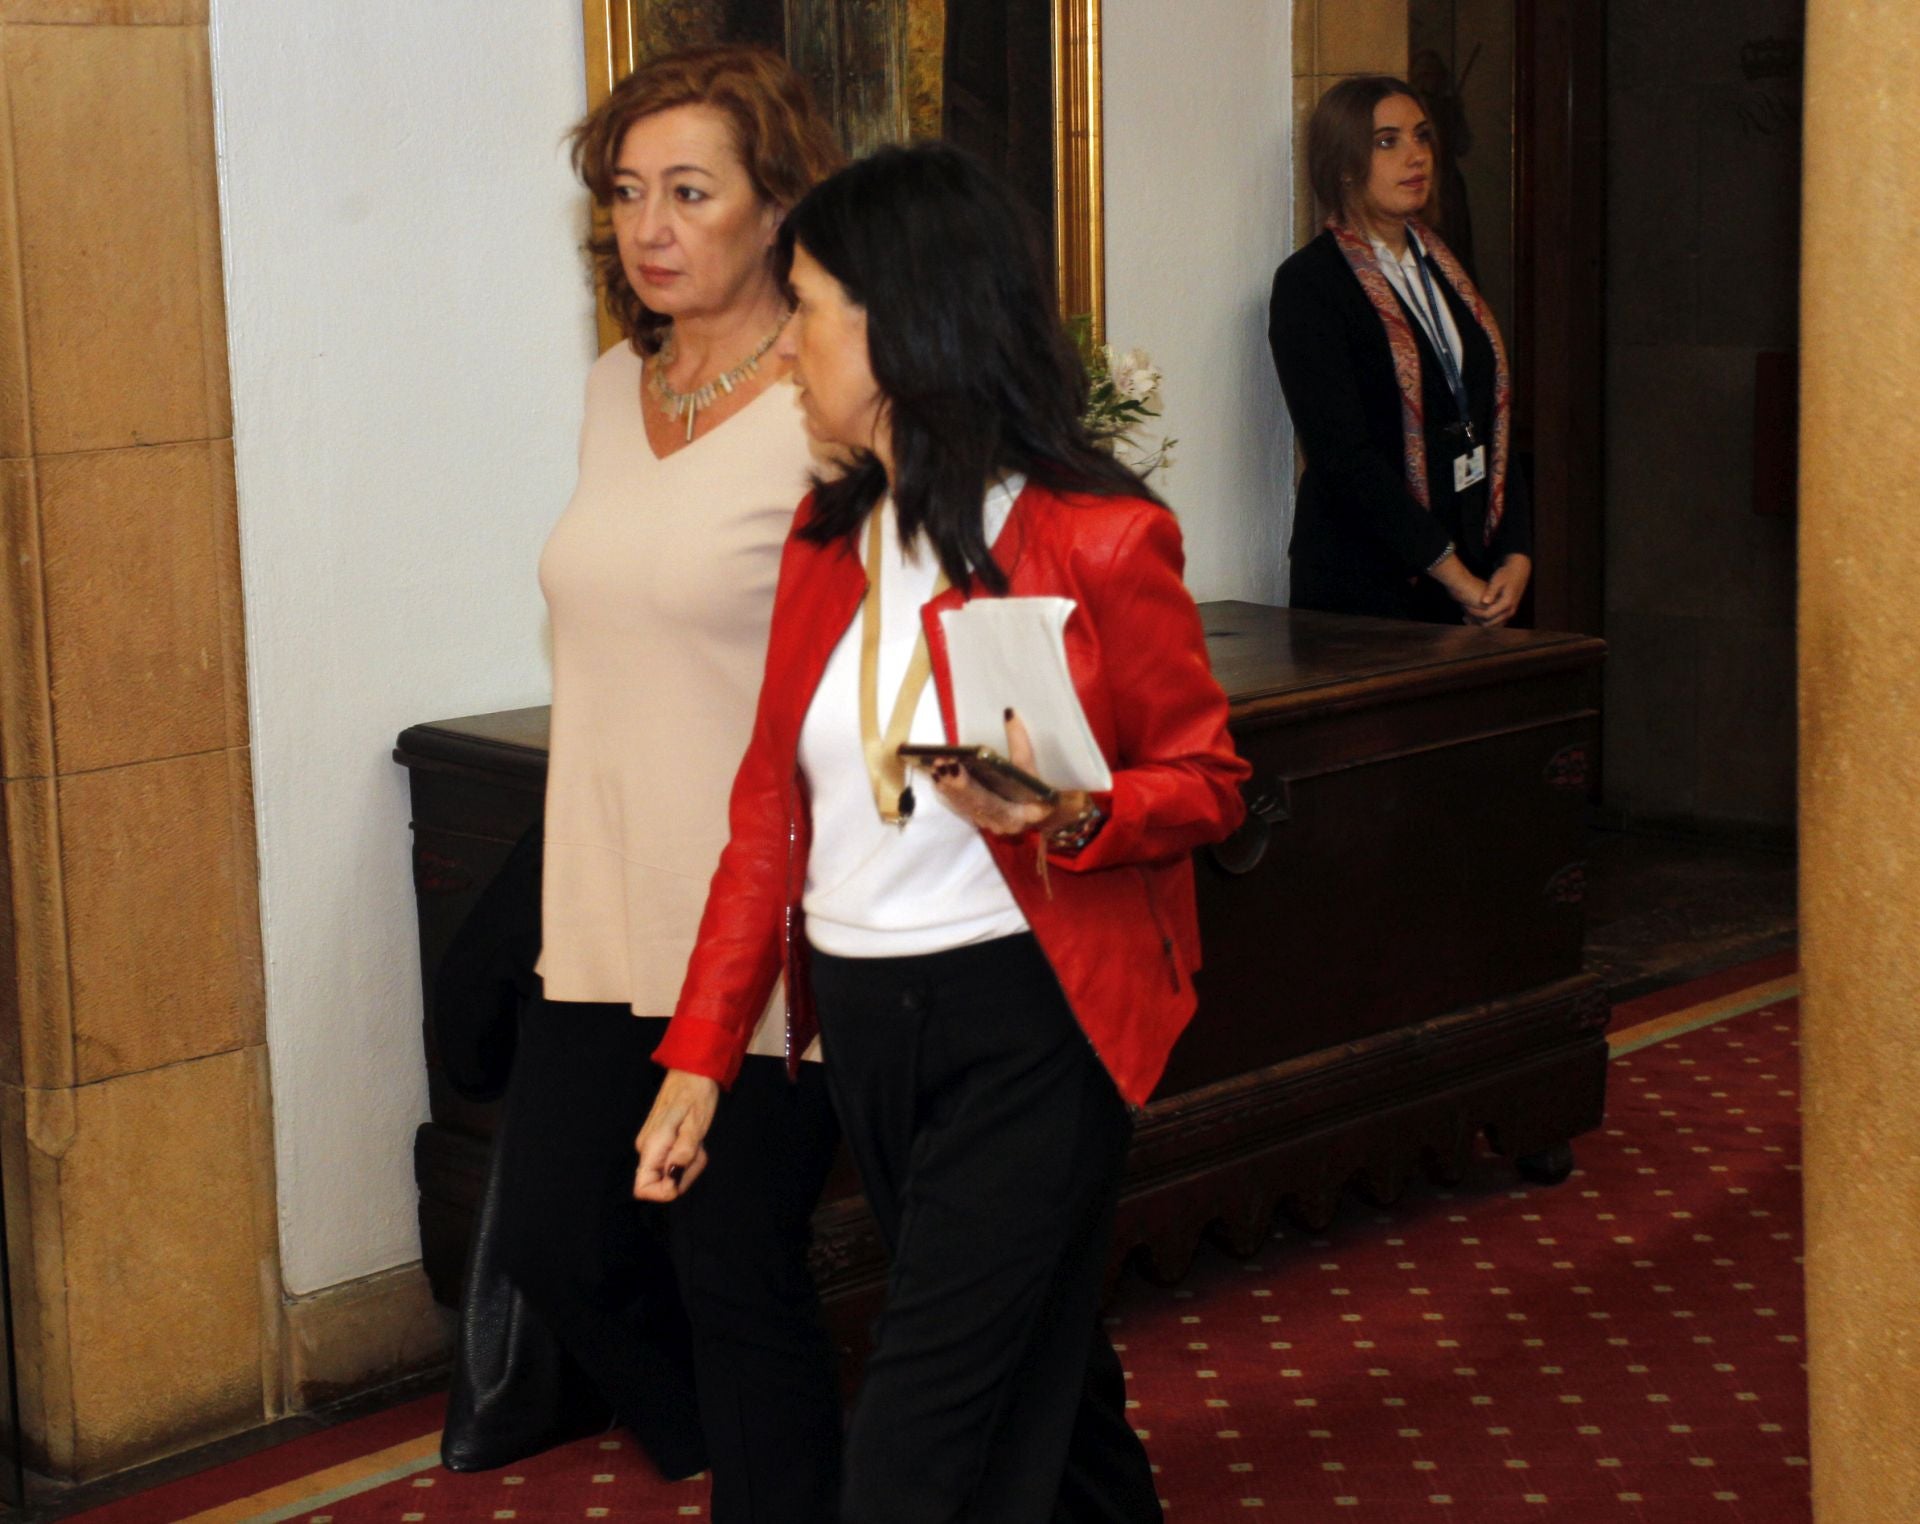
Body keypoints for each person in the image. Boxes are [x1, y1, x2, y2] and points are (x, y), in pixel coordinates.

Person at [631, 142, 1250, 1524]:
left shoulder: (1097, 537)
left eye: (807, 306)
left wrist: (1073, 810)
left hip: (1032, 1016)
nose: (785, 344)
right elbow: (767, 821)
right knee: (1044, 1372)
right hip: (868, 1018)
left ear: (905, 322)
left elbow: (1209, 780)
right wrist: (702, 1057)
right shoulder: (823, 535)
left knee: (921, 1438)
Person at [486, 45, 845, 1523]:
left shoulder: (830, 410)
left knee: (734, 1271)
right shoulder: (608, 385)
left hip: (757, 927)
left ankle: (788, 1487)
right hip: (600, 910)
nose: (651, 226)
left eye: (690, 191)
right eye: (627, 193)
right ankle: (745, 1456)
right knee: (567, 1242)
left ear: (775, 207)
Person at [1268, 75, 1532, 626]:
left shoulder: (1445, 267)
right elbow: (1343, 456)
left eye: (1421, 136)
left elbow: (1490, 418)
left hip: (1475, 574)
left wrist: (1516, 554)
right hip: (1368, 589)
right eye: (1387, 141)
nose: (1416, 156)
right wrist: (1454, 575)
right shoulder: (1311, 283)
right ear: (1343, 164)